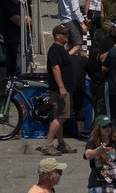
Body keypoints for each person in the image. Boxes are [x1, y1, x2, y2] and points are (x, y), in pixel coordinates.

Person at [41, 23, 81, 156]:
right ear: (57, 36)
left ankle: (61, 143)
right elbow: (55, 68)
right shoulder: (55, 50)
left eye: (68, 33)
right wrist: (61, 87)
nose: (67, 35)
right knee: (61, 117)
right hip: (60, 90)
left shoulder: (61, 49)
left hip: (65, 88)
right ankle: (47, 144)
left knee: (60, 116)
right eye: (64, 34)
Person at [85, 116, 116, 193]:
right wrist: (99, 150)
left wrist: (112, 171)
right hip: (97, 182)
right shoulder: (92, 142)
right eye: (104, 127)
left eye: (109, 126)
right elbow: (88, 155)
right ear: (98, 128)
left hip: (114, 183)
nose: (107, 129)